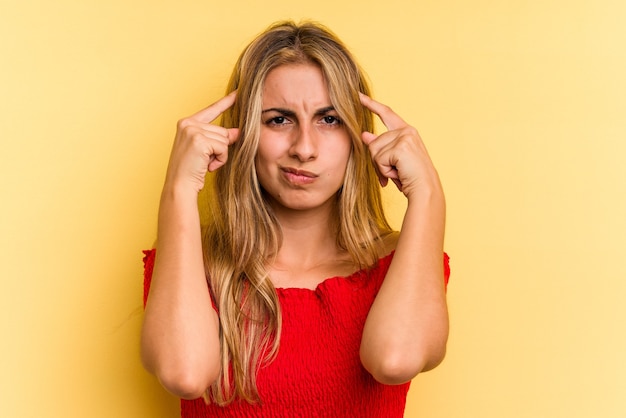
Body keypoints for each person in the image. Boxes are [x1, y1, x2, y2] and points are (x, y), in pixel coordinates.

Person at [140, 20, 450, 417]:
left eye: (330, 119)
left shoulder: (402, 263)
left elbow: (394, 360)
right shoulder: (190, 265)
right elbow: (183, 373)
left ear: (360, 135)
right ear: (244, 132)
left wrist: (428, 194)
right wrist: (179, 189)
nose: (304, 148)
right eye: (279, 119)